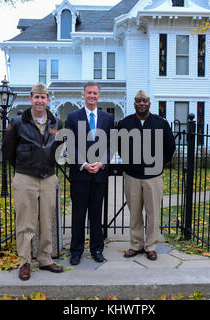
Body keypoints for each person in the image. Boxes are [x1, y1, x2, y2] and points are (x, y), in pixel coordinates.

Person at [2, 82, 63, 281]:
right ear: (31, 99)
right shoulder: (18, 122)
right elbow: (8, 151)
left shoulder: (55, 123)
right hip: (25, 177)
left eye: (43, 97)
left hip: (48, 178)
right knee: (25, 223)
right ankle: (25, 262)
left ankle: (45, 259)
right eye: (36, 97)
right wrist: (22, 168)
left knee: (47, 221)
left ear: (48, 100)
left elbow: (59, 149)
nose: (39, 100)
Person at [117, 90, 176, 261]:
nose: (141, 103)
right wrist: (129, 163)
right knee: (134, 212)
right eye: (138, 101)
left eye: (145, 101)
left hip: (153, 177)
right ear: (134, 103)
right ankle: (136, 245)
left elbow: (170, 147)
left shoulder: (160, 123)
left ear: (150, 103)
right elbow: (120, 146)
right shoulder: (125, 123)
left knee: (153, 213)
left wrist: (159, 164)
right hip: (132, 176)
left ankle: (151, 246)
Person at [65, 81, 115, 265]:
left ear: (99, 96)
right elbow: (70, 144)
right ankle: (76, 251)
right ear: (83, 95)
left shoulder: (107, 118)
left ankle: (96, 249)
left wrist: (102, 162)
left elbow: (112, 144)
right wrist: (84, 163)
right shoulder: (72, 117)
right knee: (78, 215)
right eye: (89, 93)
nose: (92, 96)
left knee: (96, 214)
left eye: (95, 93)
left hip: (99, 174)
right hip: (80, 175)